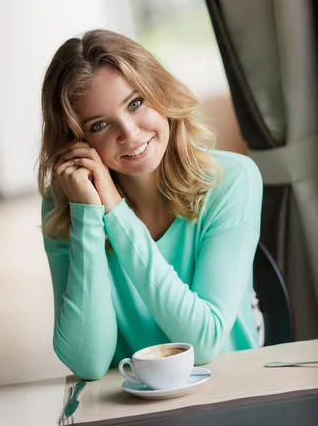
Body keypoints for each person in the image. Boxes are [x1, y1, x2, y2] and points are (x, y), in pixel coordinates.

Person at [38, 28, 263, 382]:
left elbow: (202, 344)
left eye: (136, 103)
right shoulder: (67, 204)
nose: (129, 133)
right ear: (76, 142)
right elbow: (88, 362)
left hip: (229, 391)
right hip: (129, 407)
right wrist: (88, 216)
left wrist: (115, 211)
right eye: (99, 124)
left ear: (161, 93)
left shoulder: (231, 179)